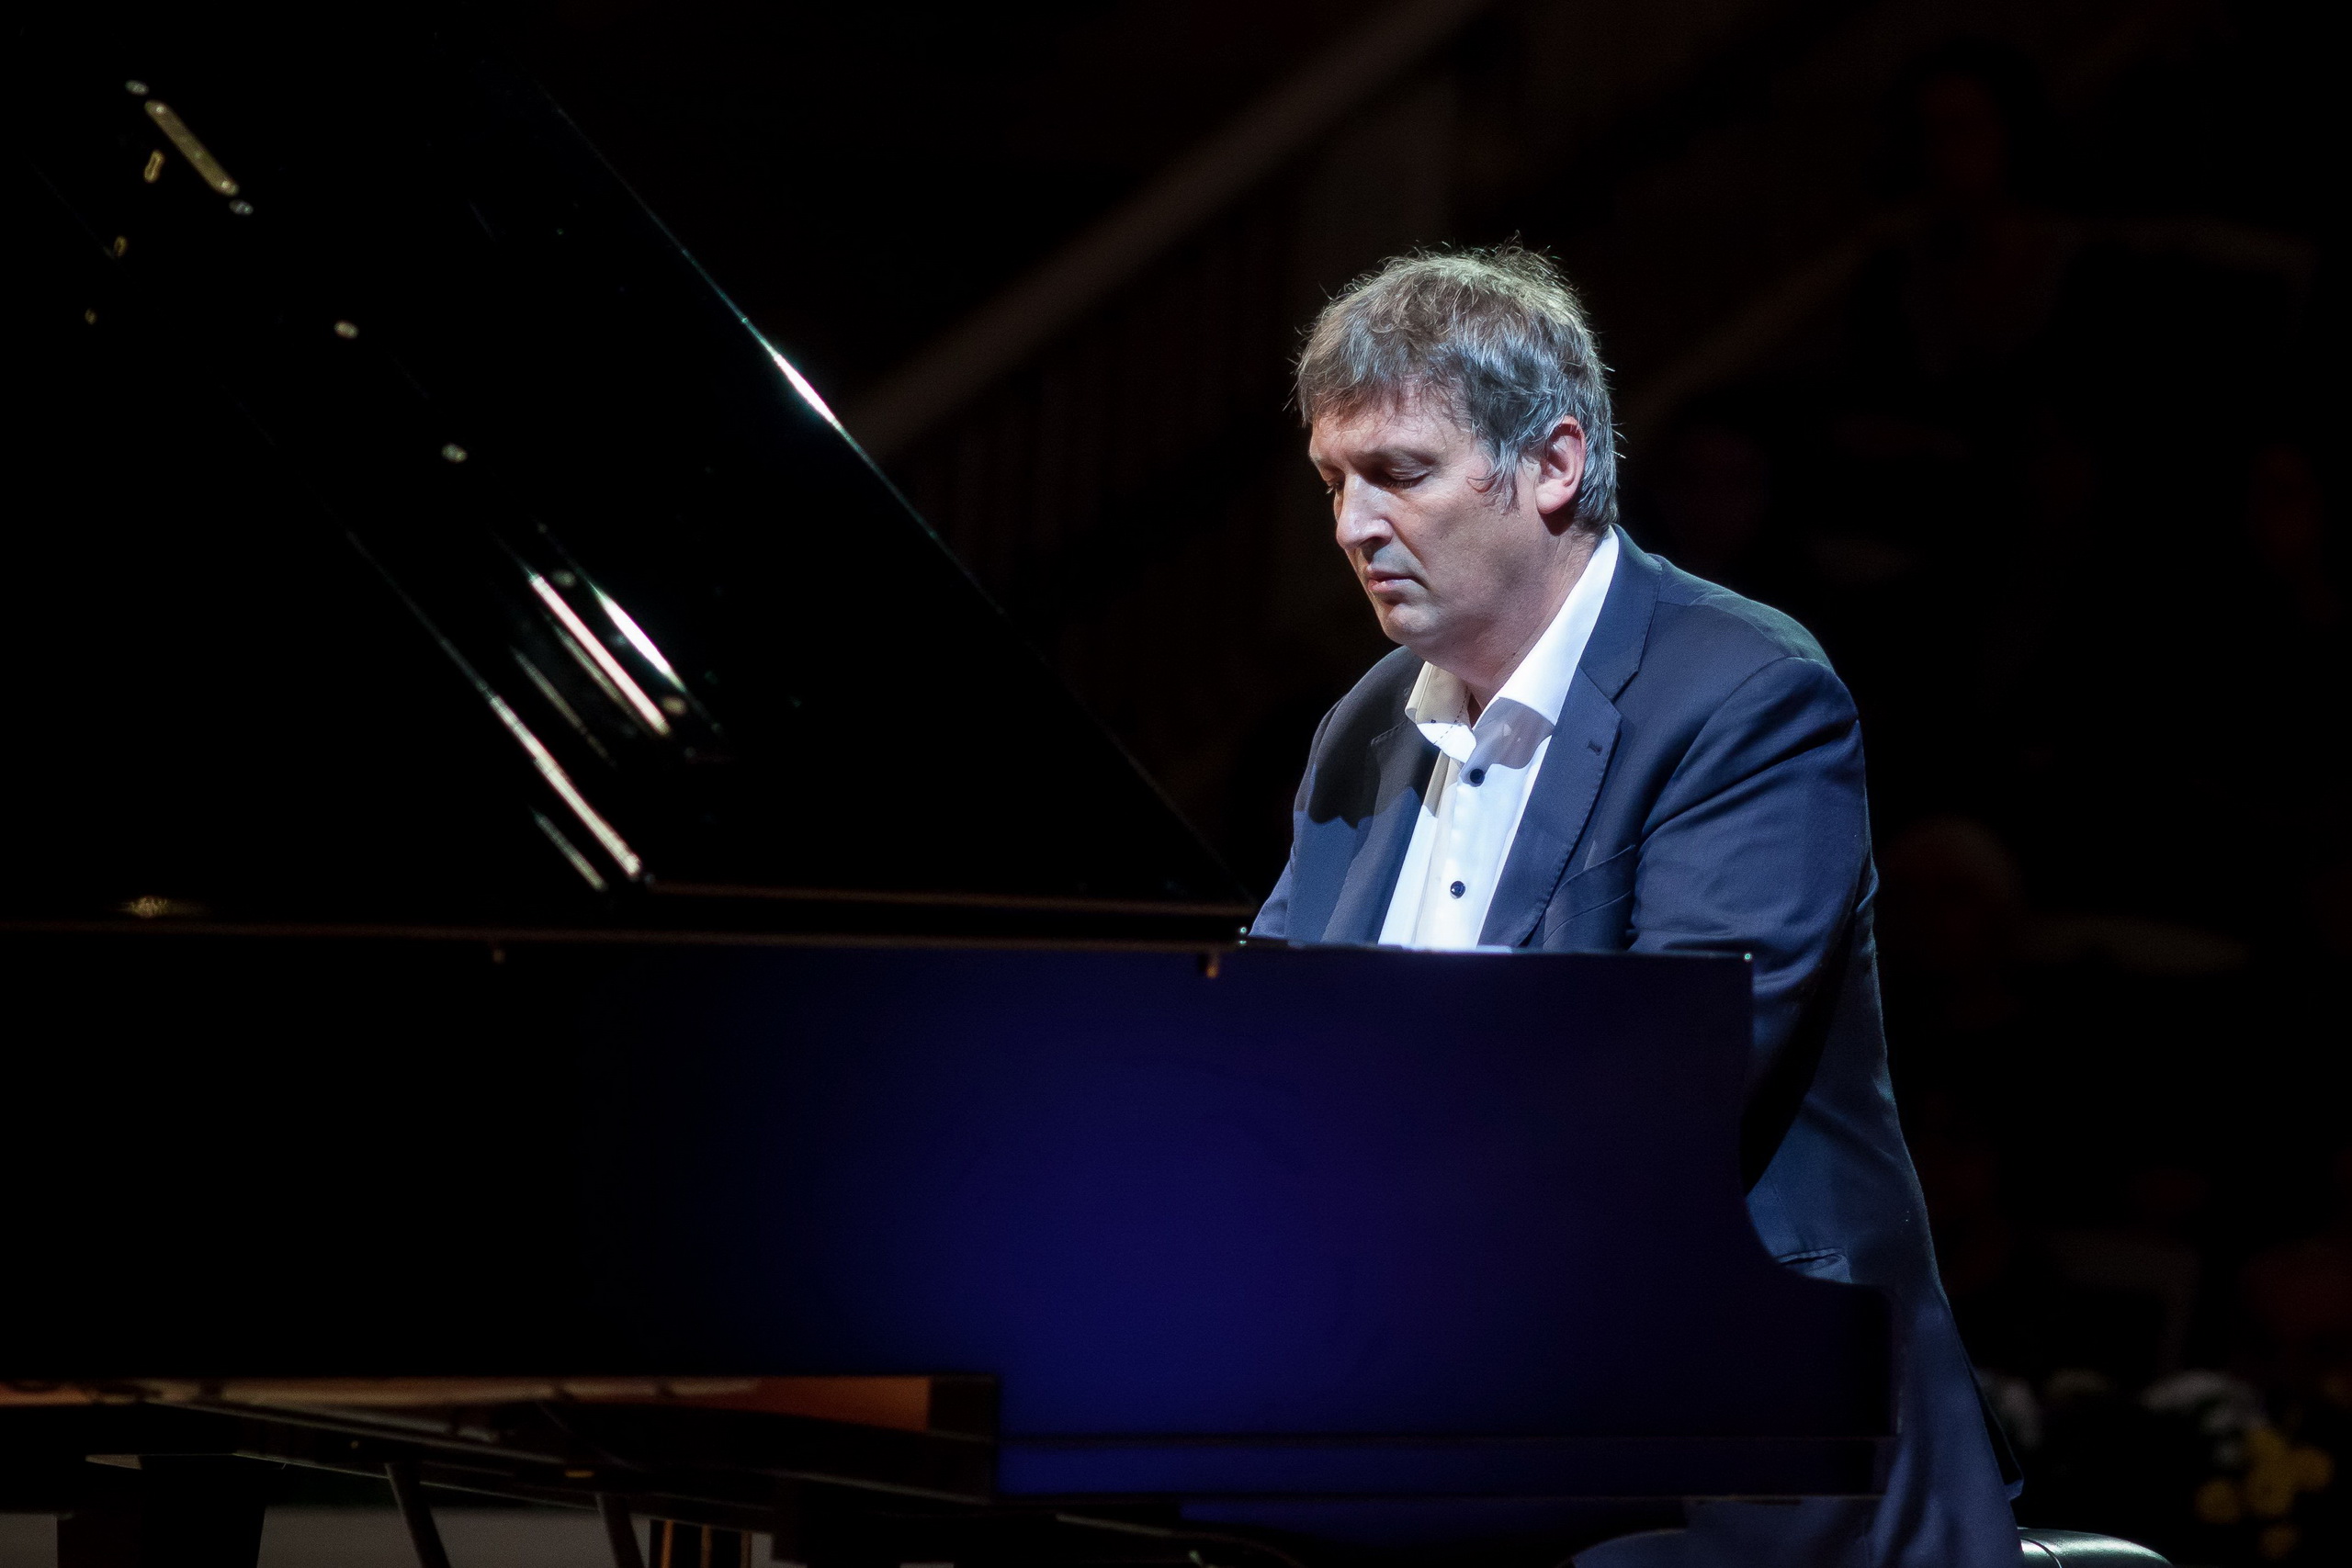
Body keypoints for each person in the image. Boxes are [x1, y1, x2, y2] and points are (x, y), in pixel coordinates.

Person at [1252, 248, 2018, 1567]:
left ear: (1553, 464)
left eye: (1400, 474)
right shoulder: (1366, 724)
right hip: (1445, 1408)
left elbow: (1678, 1073)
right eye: (1335, 482)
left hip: (1734, 1440)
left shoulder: (1747, 694)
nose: (1353, 527)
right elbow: (1272, 1037)